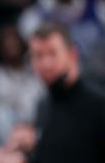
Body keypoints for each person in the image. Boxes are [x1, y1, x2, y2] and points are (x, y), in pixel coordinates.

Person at [27, 21, 105, 162]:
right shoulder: (43, 106)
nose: (46, 64)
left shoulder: (98, 104)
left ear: (72, 55)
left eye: (52, 54)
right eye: (38, 56)